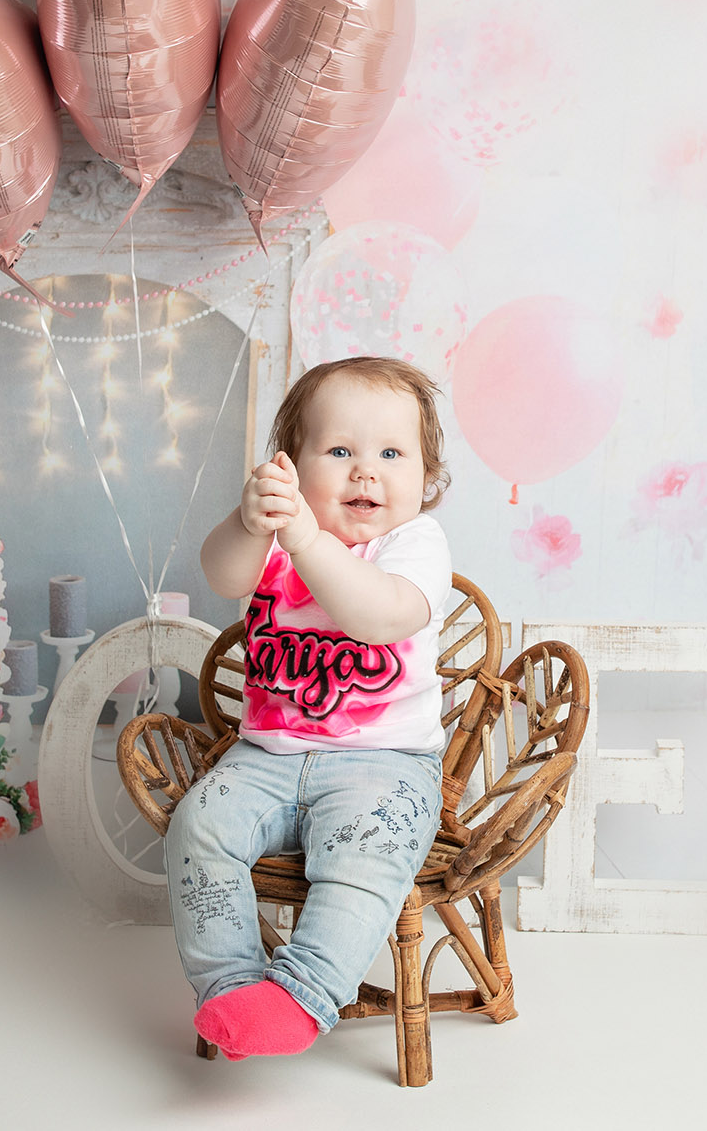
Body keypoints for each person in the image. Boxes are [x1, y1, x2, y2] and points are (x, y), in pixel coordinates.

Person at [174, 355, 455, 1059]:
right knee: (198, 828)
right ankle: (233, 987)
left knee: (367, 853)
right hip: (266, 754)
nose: (366, 471)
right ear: (291, 470)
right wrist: (249, 523)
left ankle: (302, 993)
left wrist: (307, 541)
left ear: (426, 479)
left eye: (392, 453)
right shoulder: (276, 535)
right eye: (339, 451)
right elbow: (221, 574)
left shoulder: (415, 544)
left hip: (386, 765)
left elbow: (379, 614)